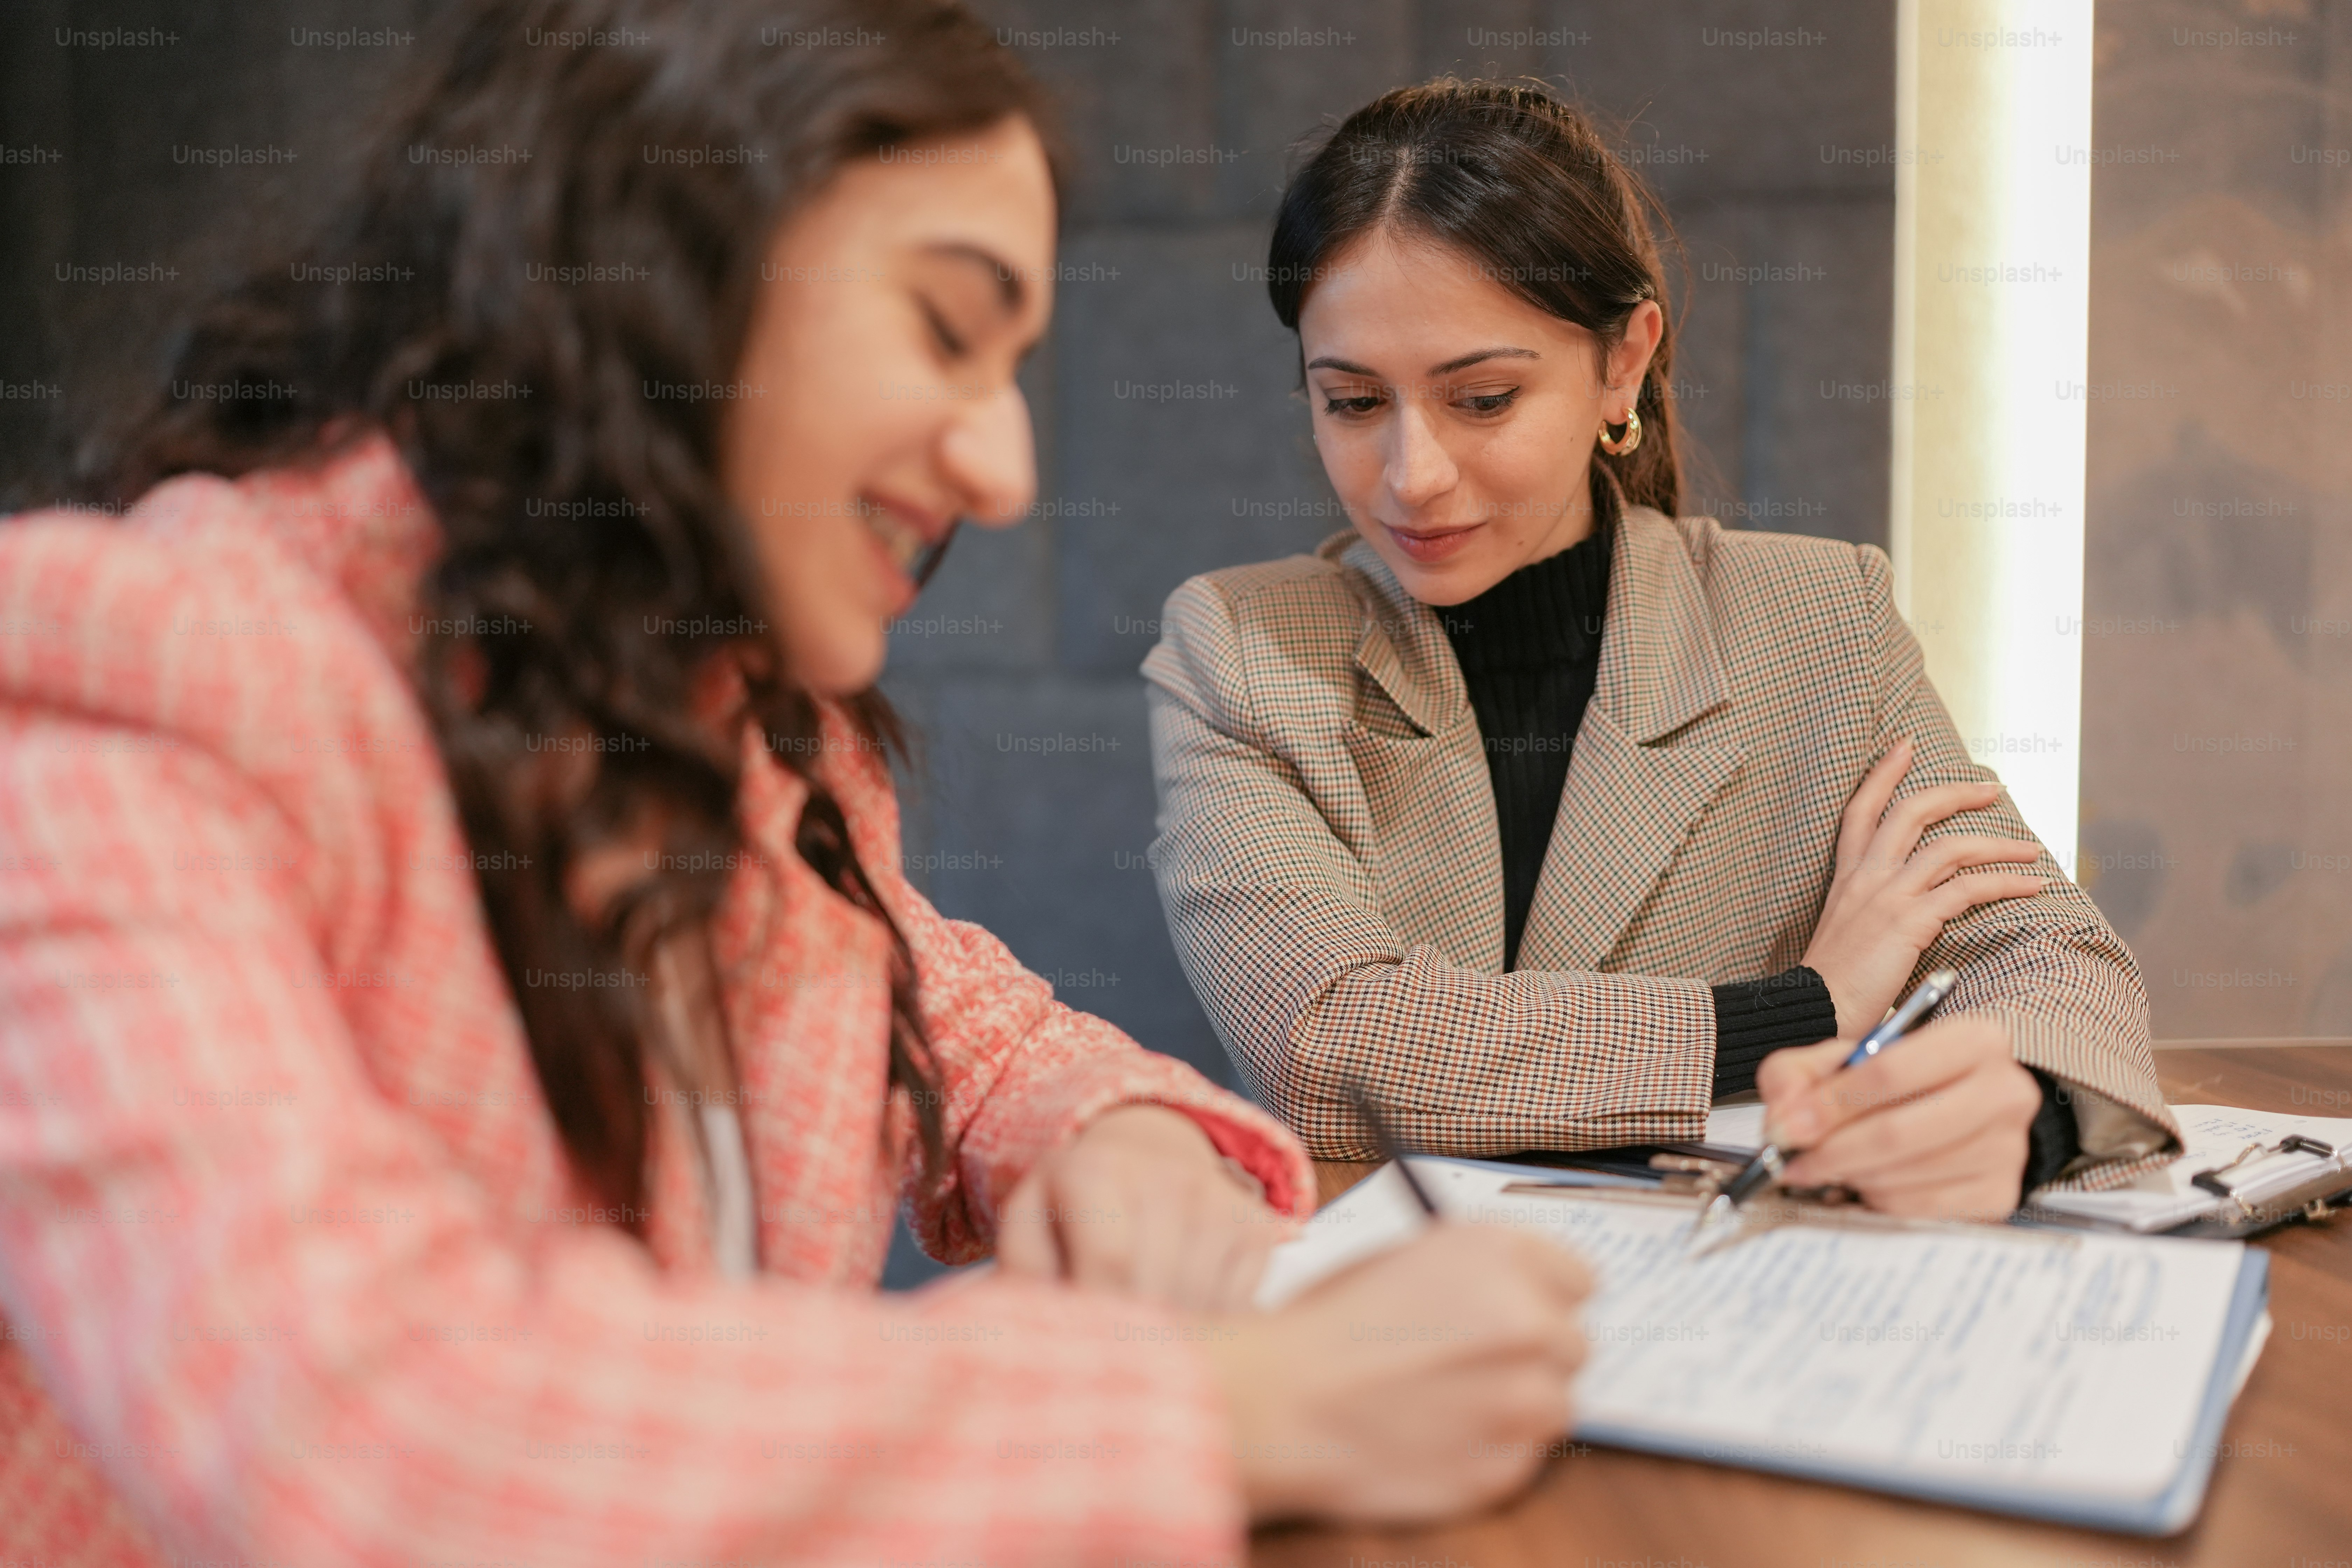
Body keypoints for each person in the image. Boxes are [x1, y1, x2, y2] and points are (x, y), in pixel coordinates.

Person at [0, 11, 1594, 1562]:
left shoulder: (733, 723)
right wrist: (1217, 1405)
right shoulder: (134, 688)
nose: (1005, 467)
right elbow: (364, 1428)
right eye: (945, 330)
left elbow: (950, 1013)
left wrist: (1114, 1130)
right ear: (672, 263)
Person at [1145, 79, 2178, 1218]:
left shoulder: (1822, 620)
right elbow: (1332, 1054)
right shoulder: (1238, 647)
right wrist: (1809, 1006)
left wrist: (2031, 1117)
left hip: (1760, 1312)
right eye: (1350, 403)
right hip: (1408, 1325)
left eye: (1483, 399)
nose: (1412, 475)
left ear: (1623, 362)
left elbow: (2053, 963)